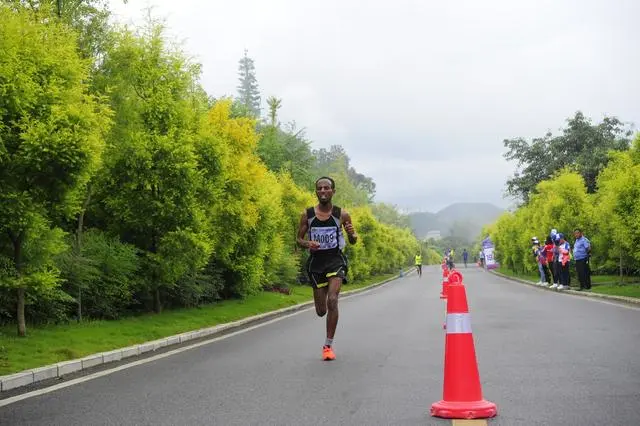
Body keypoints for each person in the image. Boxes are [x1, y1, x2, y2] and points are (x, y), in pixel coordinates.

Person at [296, 177, 358, 361]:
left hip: (335, 261)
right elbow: (298, 240)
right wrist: (308, 243)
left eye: (327, 188)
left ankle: (327, 346)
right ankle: (327, 340)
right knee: (321, 311)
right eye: (319, 188)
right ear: (316, 192)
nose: (323, 191)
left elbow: (353, 240)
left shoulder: (342, 214)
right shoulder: (307, 215)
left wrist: (352, 233)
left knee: (333, 299)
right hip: (316, 264)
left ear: (333, 191)